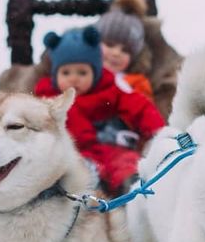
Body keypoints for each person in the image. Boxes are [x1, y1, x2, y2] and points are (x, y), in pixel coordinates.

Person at [34, 25, 165, 194]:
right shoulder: (48, 100)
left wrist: (158, 131)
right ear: (55, 75)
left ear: (95, 73)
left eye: (82, 73)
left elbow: (139, 107)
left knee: (126, 161)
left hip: (108, 147)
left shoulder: (109, 91)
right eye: (66, 73)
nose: (74, 79)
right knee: (73, 171)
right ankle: (88, 188)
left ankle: (131, 186)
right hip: (73, 152)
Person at [95, 0, 156, 101]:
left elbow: (145, 111)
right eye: (110, 44)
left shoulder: (137, 83)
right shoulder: (83, 74)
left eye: (125, 50)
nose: (116, 53)